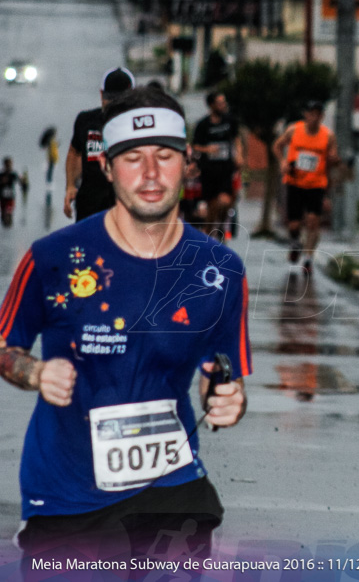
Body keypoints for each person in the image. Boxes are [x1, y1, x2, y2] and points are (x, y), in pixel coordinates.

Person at [0, 86, 252, 571]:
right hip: (66, 493)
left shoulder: (220, 270)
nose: (152, 173)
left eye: (165, 155)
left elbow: (221, 373)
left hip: (170, 491)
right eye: (133, 157)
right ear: (107, 167)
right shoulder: (52, 258)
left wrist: (227, 398)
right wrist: (34, 373)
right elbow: (6, 346)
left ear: (187, 165)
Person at [271, 101, 339, 270]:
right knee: (294, 225)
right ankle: (295, 243)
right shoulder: (294, 130)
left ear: (322, 116)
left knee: (313, 222)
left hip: (316, 184)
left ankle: (308, 257)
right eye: (310, 113)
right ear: (305, 115)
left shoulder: (328, 136)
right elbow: (277, 146)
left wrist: (333, 162)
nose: (313, 118)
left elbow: (333, 159)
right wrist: (282, 162)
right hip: (295, 182)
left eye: (317, 114)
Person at [64, 66, 136, 222]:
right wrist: (70, 186)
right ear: (101, 95)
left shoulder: (138, 126)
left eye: (120, 101)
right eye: (110, 99)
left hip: (124, 206)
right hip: (89, 205)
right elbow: (74, 153)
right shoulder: (86, 121)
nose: (114, 106)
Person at [190, 91, 243, 238]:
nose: (223, 105)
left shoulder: (229, 121)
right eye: (219, 103)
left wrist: (239, 155)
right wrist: (208, 149)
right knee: (212, 204)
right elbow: (195, 146)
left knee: (225, 201)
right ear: (211, 105)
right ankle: (209, 230)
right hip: (209, 171)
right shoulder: (202, 125)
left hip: (226, 169)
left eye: (223, 102)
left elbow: (236, 139)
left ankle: (219, 224)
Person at [0, 157, 20, 227]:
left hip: (10, 198)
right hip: (3, 198)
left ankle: (8, 221)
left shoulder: (13, 175)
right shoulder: (2, 175)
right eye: (7, 165)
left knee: (9, 211)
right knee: (3, 212)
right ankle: (5, 222)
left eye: (10, 165)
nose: (9, 166)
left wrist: (24, 182)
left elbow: (19, 181)